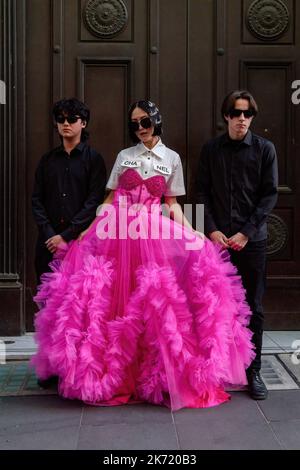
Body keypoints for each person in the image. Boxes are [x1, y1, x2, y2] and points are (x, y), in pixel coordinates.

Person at [31, 100, 255, 411]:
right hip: (118, 232)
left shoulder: (171, 158)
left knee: (154, 301)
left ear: (156, 122)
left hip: (153, 234)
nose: (140, 129)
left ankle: (155, 376)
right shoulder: (125, 156)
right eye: (134, 124)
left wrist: (194, 232)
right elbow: (109, 198)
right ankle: (120, 373)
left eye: (145, 122)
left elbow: (173, 204)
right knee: (115, 302)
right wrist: (87, 231)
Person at [195, 90, 278, 400]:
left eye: (248, 114)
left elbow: (269, 195)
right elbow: (201, 193)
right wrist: (212, 231)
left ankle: (252, 370)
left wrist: (246, 232)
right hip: (217, 244)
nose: (242, 118)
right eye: (237, 113)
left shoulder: (265, 149)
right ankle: (218, 370)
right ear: (226, 116)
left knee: (254, 308)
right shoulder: (211, 150)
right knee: (214, 308)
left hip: (252, 242)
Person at [32, 98, 107, 284]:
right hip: (48, 244)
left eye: (72, 119)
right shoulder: (47, 160)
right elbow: (36, 200)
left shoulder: (94, 159)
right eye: (60, 119)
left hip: (81, 241)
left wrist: (66, 236)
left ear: (83, 123)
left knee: (76, 300)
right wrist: (51, 236)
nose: (66, 123)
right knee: (46, 297)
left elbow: (94, 201)